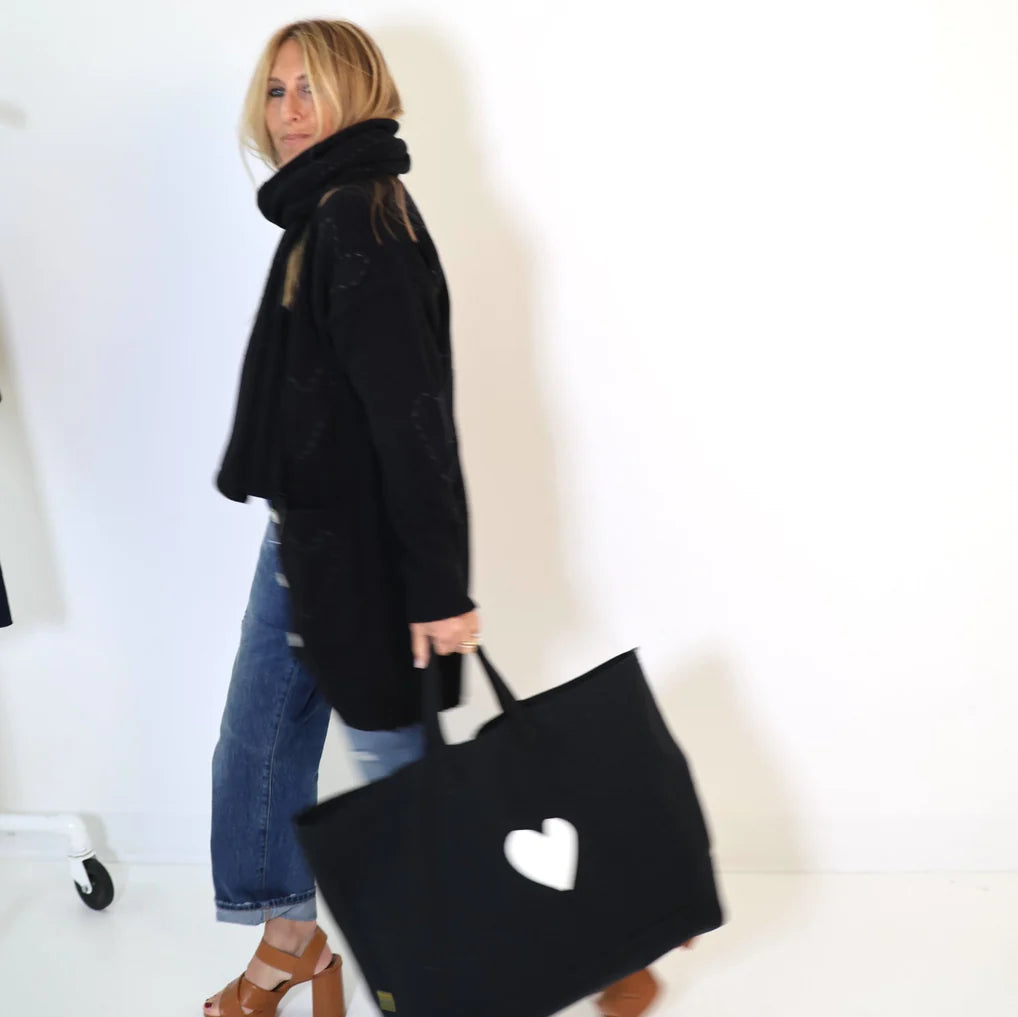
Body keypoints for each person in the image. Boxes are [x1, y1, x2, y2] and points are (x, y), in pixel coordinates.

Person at [203, 18, 693, 1017]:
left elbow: (412, 419)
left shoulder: (356, 221)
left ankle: (604, 946)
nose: (289, 113)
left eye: (310, 90)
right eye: (276, 91)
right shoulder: (326, 212)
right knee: (258, 749)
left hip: (369, 556)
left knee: (414, 791)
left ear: (360, 95)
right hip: (308, 538)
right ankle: (290, 945)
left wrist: (436, 588)